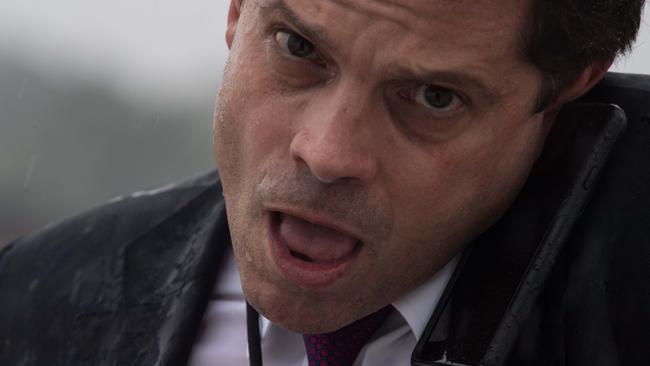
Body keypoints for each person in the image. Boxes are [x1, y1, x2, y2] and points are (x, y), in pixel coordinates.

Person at [0, 0, 647, 365]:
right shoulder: (35, 302)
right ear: (236, 11)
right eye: (299, 50)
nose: (328, 153)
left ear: (564, 94)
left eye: (432, 97)